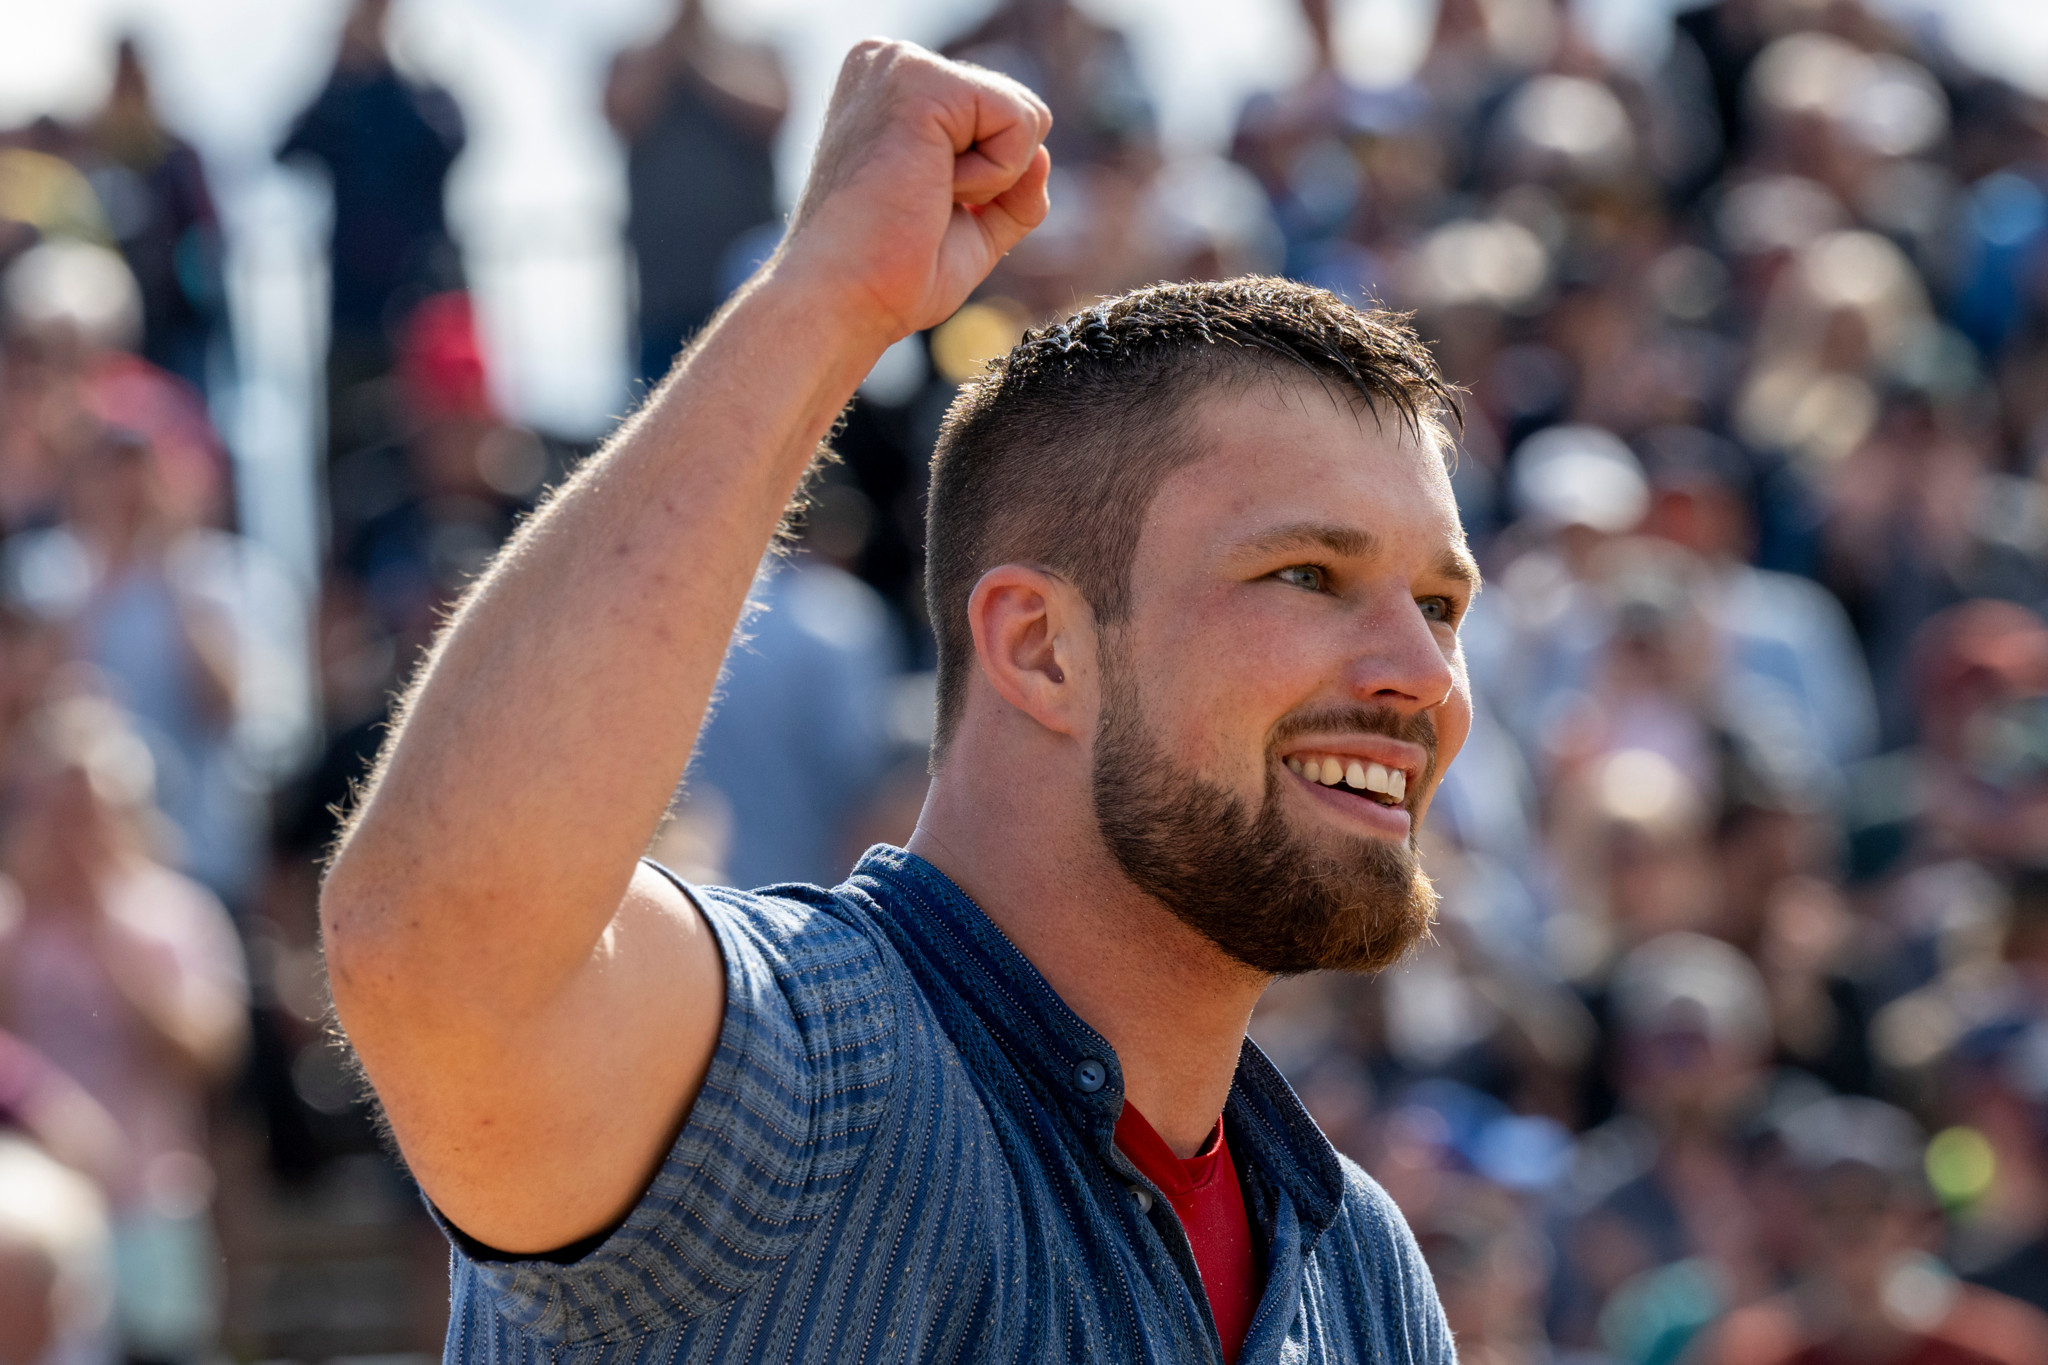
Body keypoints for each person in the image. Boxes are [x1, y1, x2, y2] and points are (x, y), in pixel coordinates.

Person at [322, 40, 1474, 1361]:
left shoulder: (1361, 1266)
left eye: (1442, 604)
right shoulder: (815, 1069)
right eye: (1309, 573)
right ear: (1040, 647)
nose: (1423, 675)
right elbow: (435, 939)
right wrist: (821, 303)